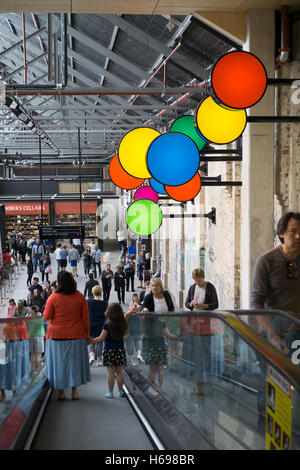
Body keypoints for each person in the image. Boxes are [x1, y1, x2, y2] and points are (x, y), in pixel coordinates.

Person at [251, 211, 300, 354]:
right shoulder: (266, 260)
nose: (298, 236)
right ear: (281, 234)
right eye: (293, 231)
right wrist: (270, 335)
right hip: (277, 332)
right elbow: (257, 301)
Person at [43, 271, 90, 401]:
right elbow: (85, 318)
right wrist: (87, 334)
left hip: (56, 335)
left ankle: (61, 393)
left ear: (59, 283)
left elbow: (46, 316)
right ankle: (74, 393)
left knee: (59, 364)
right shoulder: (79, 297)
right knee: (75, 363)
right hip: (76, 334)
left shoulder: (53, 297)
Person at [184, 268, 222, 395]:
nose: (197, 283)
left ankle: (205, 379)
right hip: (195, 322)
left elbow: (215, 304)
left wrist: (203, 306)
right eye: (195, 281)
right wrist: (191, 304)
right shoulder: (192, 288)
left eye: (199, 280)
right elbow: (187, 303)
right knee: (196, 350)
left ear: (203, 277)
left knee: (206, 350)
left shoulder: (210, 287)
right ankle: (198, 379)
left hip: (206, 322)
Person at [140, 278, 180, 388]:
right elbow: (144, 308)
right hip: (153, 328)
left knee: (159, 367)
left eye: (156, 286)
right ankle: (155, 388)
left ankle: (158, 388)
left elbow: (171, 308)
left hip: (165, 324)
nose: (154, 288)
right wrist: (145, 310)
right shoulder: (148, 297)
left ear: (160, 286)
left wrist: (174, 316)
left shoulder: (166, 295)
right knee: (154, 367)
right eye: (152, 286)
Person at [89, 303, 128, 398]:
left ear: (109, 312)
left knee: (110, 372)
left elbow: (101, 338)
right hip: (120, 350)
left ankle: (110, 392)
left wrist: (91, 341)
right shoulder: (123, 323)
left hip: (109, 350)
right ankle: (120, 391)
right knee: (119, 372)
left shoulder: (107, 324)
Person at [87, 285, 107, 366]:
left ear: (93, 292)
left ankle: (91, 356)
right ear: (100, 292)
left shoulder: (89, 302)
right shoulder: (104, 303)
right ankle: (99, 359)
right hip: (100, 324)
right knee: (99, 341)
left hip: (90, 323)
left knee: (90, 340)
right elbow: (106, 315)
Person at [124, 294, 143, 364]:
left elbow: (142, 319)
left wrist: (137, 312)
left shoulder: (138, 310)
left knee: (137, 340)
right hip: (131, 329)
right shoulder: (129, 312)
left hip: (136, 328)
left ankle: (138, 355)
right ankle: (133, 358)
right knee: (131, 342)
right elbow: (125, 317)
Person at [26, 305, 45, 373]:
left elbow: (26, 324)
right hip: (36, 336)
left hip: (34, 336)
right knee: (35, 354)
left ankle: (34, 370)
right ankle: (35, 370)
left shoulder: (29, 317)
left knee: (36, 354)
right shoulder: (40, 316)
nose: (29, 310)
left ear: (34, 310)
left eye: (30, 309)